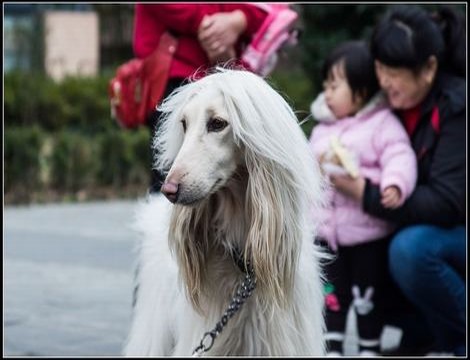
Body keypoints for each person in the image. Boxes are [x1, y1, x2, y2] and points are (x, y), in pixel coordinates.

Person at [330, 5, 466, 356]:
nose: (384, 80)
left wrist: (364, 193)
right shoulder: (381, 105)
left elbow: (447, 203)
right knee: (358, 259)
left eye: (394, 72)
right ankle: (425, 333)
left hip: (453, 232)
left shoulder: (455, 107)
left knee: (410, 250)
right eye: (380, 69)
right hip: (401, 227)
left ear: (429, 69)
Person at [308, 40, 417, 356]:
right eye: (325, 84)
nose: (327, 92)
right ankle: (333, 344)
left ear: (361, 90)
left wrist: (395, 183)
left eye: (335, 85)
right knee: (330, 293)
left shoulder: (382, 124)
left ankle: (369, 345)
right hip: (328, 233)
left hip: (367, 232)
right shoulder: (322, 130)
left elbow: (400, 155)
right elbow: (307, 165)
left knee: (368, 294)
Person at [132, 4, 268, 193]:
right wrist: (215, 26)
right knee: (170, 178)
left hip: (231, 75)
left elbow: (268, 9)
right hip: (178, 77)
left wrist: (238, 21)